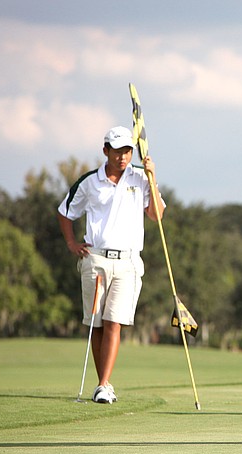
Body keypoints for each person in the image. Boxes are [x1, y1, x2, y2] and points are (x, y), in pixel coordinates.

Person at [57, 126, 165, 404]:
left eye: (128, 151)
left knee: (114, 321)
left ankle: (104, 384)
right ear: (106, 151)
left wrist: (153, 179)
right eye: (118, 151)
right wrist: (71, 244)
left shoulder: (141, 177)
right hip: (95, 259)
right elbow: (64, 212)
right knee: (97, 325)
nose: (123, 157)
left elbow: (156, 215)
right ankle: (102, 383)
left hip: (128, 261)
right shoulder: (89, 182)